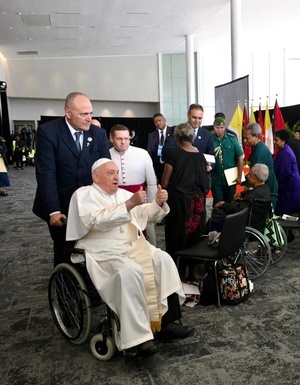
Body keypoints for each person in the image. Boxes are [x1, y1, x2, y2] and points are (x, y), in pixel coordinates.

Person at [66, 159, 193, 362]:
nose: (116, 177)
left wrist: (157, 203)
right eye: (110, 173)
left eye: (117, 172)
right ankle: (138, 340)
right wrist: (130, 204)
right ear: (95, 176)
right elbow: (95, 221)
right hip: (103, 252)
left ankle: (167, 323)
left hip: (133, 246)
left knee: (163, 259)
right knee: (129, 272)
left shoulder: (124, 195)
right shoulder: (83, 195)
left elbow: (145, 216)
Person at [33, 92, 111, 267]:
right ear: (68, 112)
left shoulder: (99, 134)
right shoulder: (49, 132)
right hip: (62, 205)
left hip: (91, 205)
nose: (89, 118)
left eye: (90, 113)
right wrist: (53, 210)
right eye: (84, 114)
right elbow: (46, 173)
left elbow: (106, 170)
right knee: (66, 251)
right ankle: (64, 290)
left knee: (92, 250)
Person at [161, 123, 210, 279]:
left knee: (178, 237)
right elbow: (205, 184)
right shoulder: (201, 156)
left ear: (176, 137)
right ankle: (192, 274)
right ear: (192, 137)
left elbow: (165, 182)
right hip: (197, 205)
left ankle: (178, 275)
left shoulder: (174, 154)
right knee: (194, 237)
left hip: (179, 205)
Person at [109, 124, 158, 245]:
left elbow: (151, 183)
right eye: (119, 139)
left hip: (140, 200)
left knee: (142, 233)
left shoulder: (142, 154)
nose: (123, 142)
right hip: (115, 201)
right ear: (111, 138)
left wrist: (152, 204)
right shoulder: (105, 154)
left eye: (126, 139)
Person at [214, 163, 272, 232]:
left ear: (255, 177)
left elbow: (238, 211)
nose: (248, 177)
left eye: (249, 175)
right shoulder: (266, 190)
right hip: (258, 225)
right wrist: (241, 194)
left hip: (243, 225)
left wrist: (223, 204)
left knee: (215, 218)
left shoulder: (253, 196)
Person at [211, 117, 244, 204]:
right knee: (218, 203)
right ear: (214, 128)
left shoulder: (232, 139)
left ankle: (229, 218)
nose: (219, 130)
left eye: (222, 128)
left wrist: (239, 176)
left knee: (230, 202)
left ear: (225, 127)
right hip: (216, 177)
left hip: (230, 178)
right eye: (217, 128)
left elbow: (240, 158)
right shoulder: (210, 140)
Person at [243, 122, 279, 202]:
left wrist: (244, 192)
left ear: (255, 136)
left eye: (247, 138)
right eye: (244, 138)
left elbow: (255, 175)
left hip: (267, 187)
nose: (245, 141)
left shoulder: (259, 151)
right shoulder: (257, 147)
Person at [273, 129, 300, 217]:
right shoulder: (284, 150)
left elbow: (284, 173)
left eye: (276, 140)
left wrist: (276, 186)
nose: (274, 142)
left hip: (288, 191)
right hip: (288, 188)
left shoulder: (286, 153)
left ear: (283, 140)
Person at [148, 113, 174, 185]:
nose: (158, 123)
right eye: (156, 122)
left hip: (170, 163)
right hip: (158, 165)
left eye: (160, 120)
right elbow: (149, 151)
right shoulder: (151, 135)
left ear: (164, 120)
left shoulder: (172, 131)